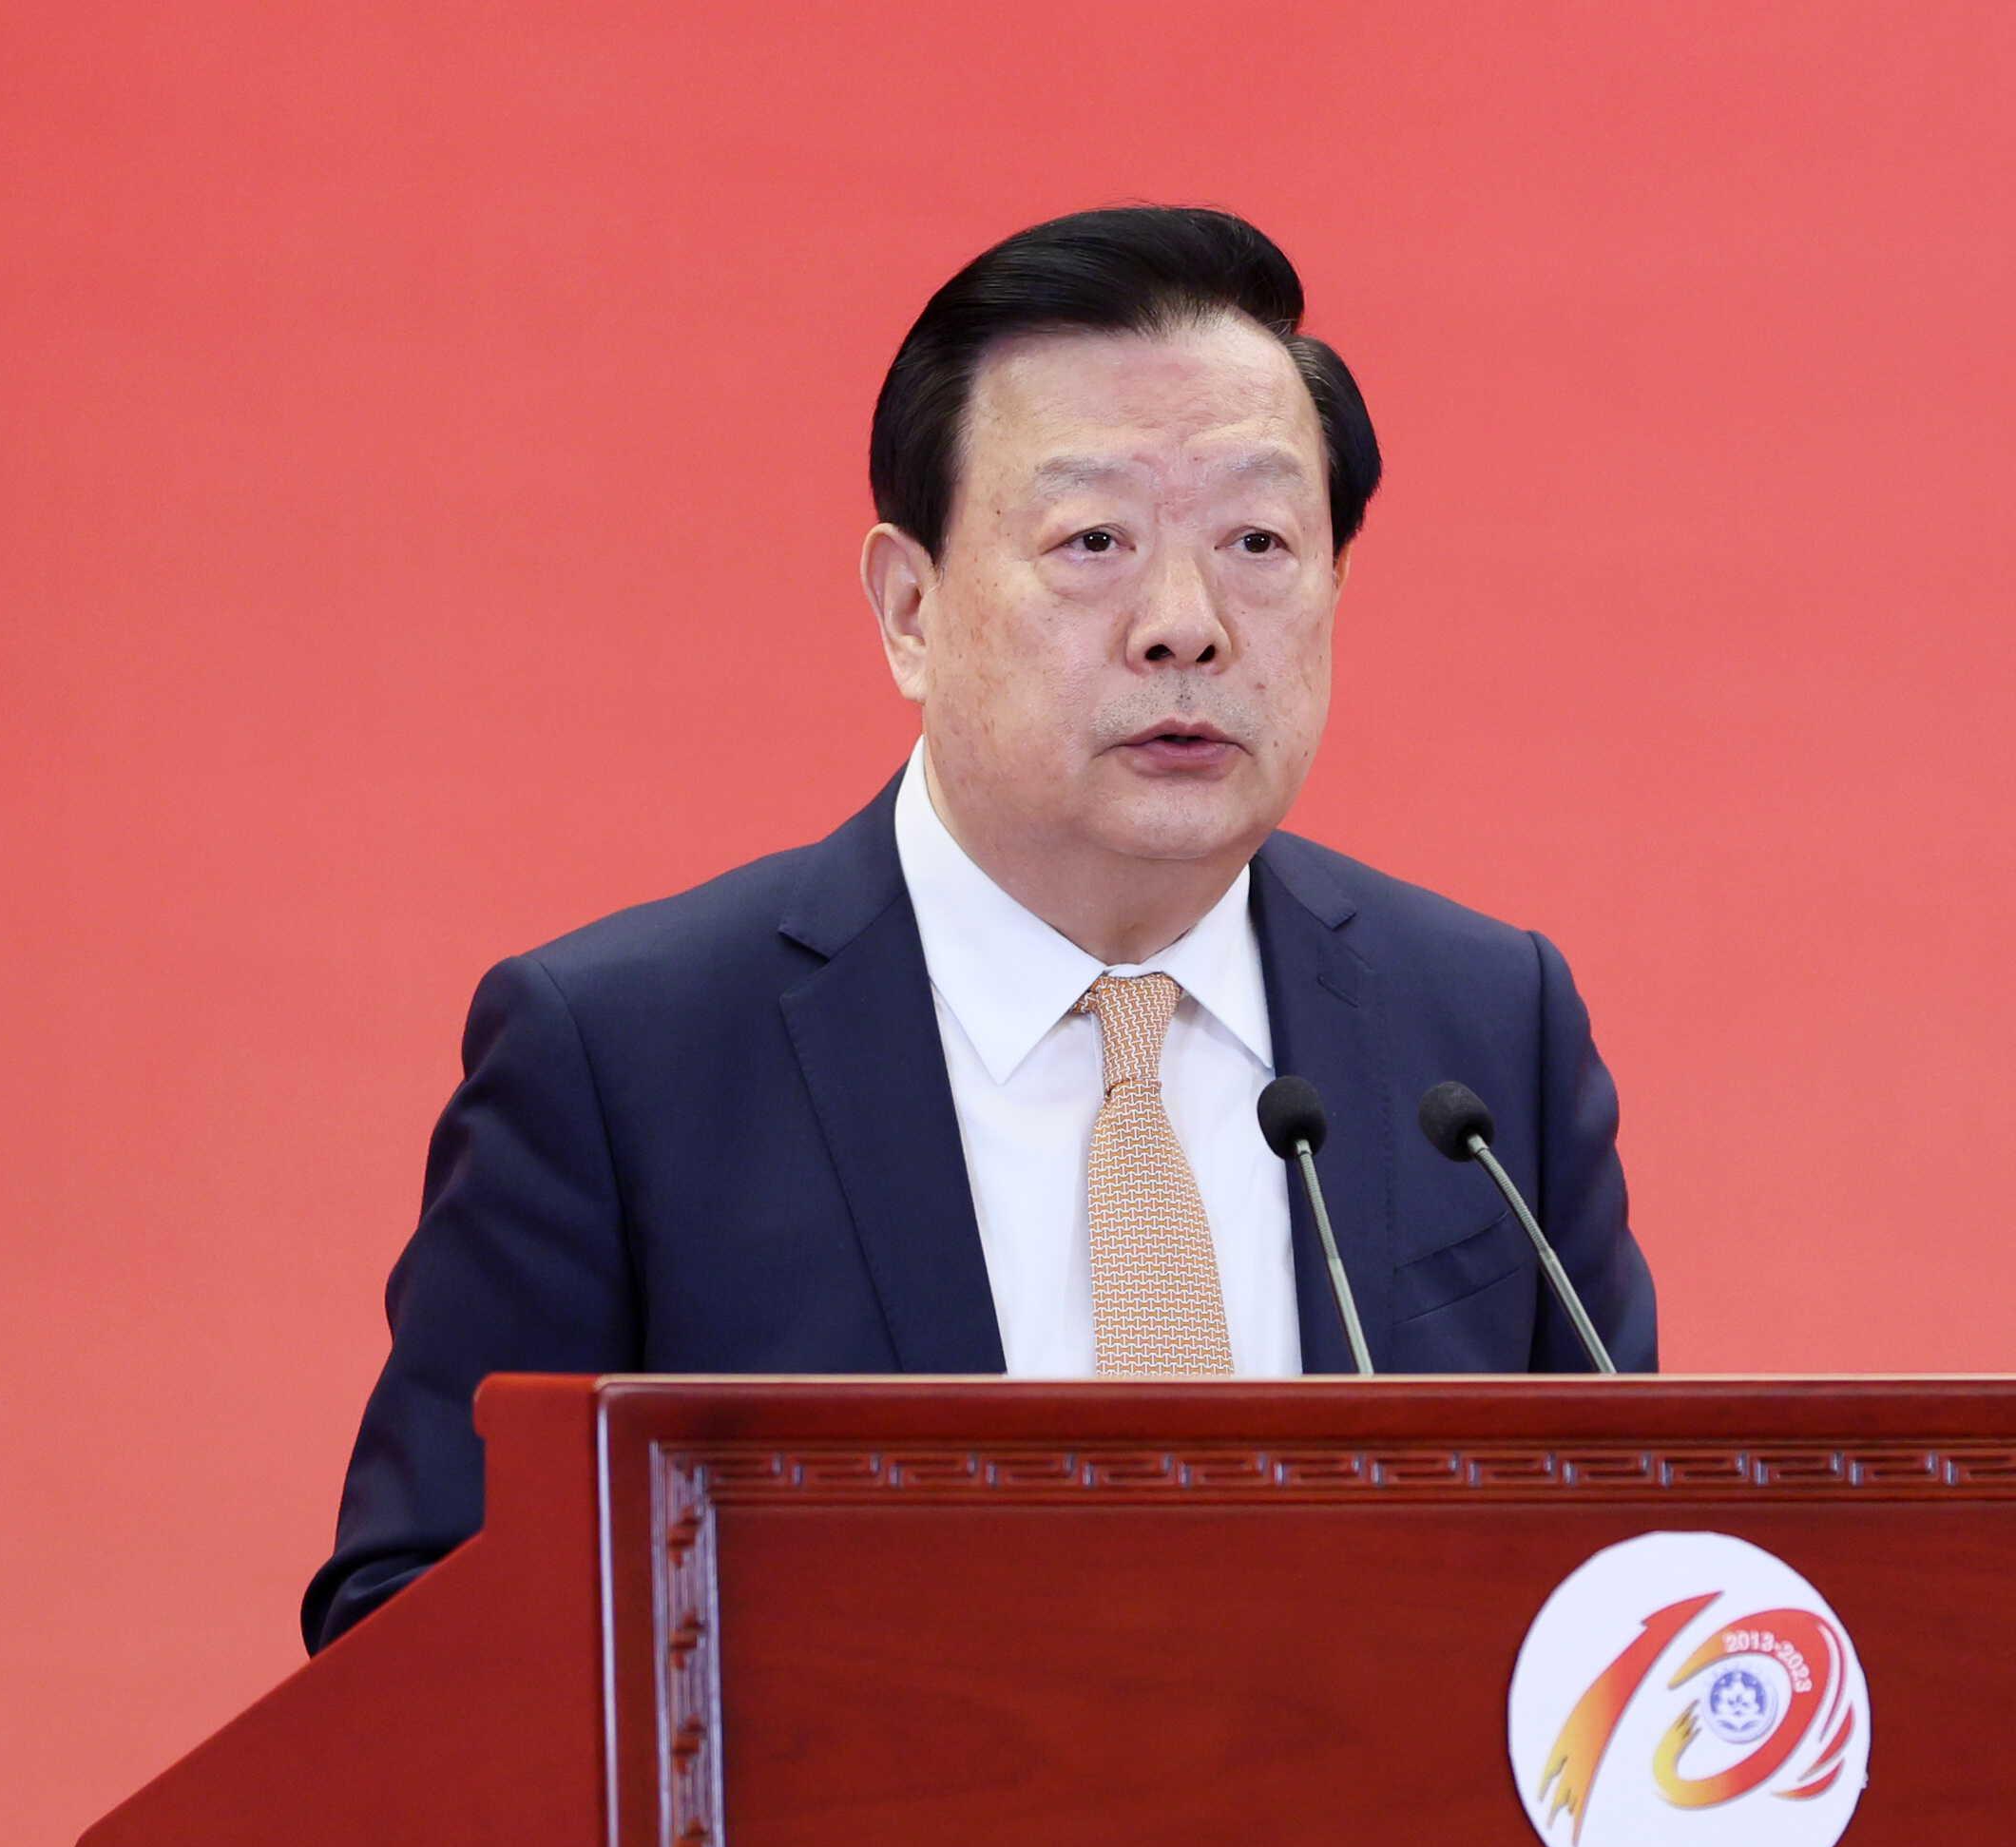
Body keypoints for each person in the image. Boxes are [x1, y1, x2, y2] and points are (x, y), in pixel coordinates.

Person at [304, 206, 1654, 1649]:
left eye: (1259, 540)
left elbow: (1637, 1590)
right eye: (1093, 541)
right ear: (910, 608)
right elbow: (412, 1635)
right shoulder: (626, 1062)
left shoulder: (1484, 1034)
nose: (1185, 623)